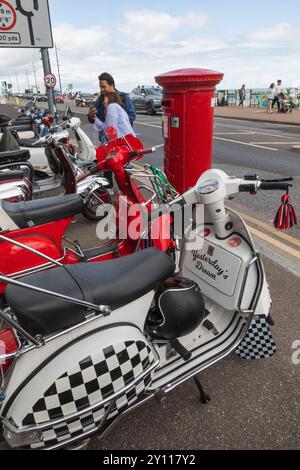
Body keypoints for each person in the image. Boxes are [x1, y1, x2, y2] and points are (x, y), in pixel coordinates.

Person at [88, 73, 136, 141]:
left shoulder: (123, 98)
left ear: (112, 84)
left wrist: (119, 121)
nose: (102, 89)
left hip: (120, 140)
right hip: (108, 140)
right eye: (100, 87)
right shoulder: (101, 98)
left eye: (104, 87)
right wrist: (91, 115)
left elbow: (132, 115)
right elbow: (95, 120)